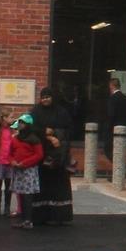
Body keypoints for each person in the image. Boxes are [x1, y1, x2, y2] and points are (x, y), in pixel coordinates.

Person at [28, 87, 75, 227]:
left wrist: (55, 134)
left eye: (48, 97)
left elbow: (68, 129)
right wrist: (45, 133)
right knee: (42, 184)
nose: (45, 99)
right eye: (43, 97)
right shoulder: (35, 111)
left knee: (58, 184)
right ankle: (40, 215)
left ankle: (59, 215)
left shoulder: (61, 112)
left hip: (57, 155)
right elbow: (28, 127)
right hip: (40, 154)